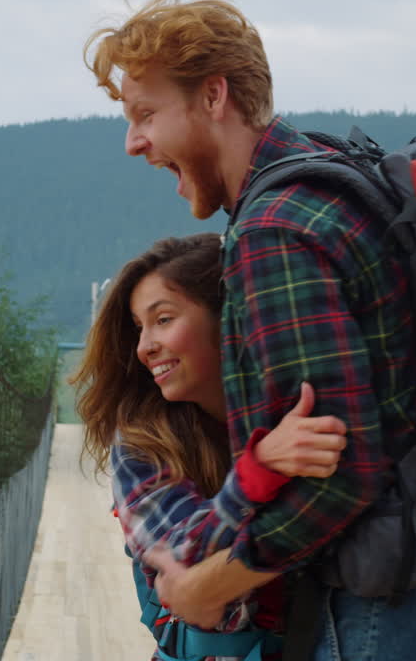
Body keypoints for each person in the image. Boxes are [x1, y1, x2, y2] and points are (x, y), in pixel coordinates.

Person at [84, 0, 416, 660]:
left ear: (214, 96)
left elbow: (339, 474)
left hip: (384, 602)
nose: (134, 143)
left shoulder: (274, 226)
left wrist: (202, 588)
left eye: (145, 115)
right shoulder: (333, 172)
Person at [74, 233, 350, 661]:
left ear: (230, 320)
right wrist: (257, 475)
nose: (145, 346)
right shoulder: (140, 446)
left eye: (162, 319)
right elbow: (179, 560)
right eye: (138, 328)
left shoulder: (303, 410)